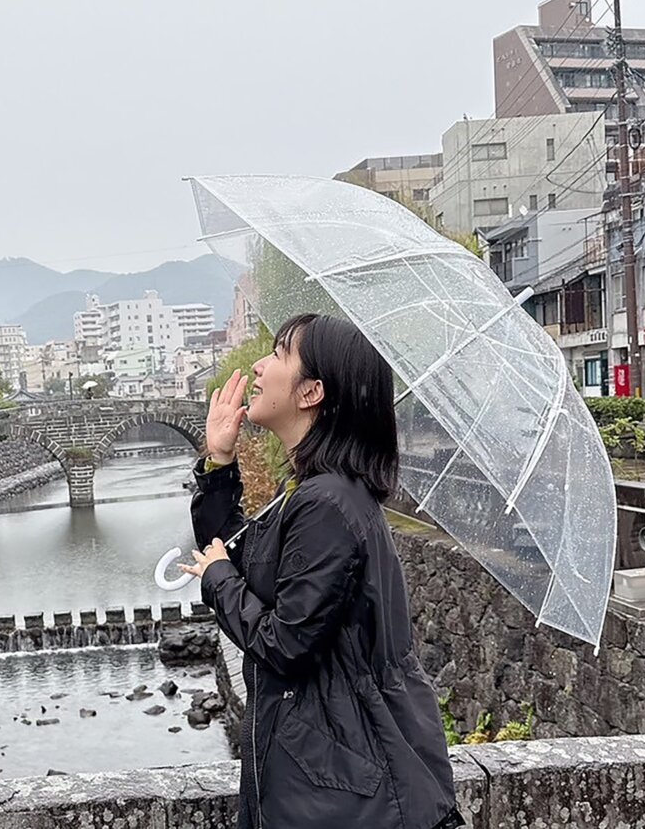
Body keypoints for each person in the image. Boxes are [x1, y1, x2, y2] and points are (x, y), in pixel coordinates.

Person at [179, 314, 462, 829]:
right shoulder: (319, 493)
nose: (259, 367)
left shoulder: (327, 503)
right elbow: (245, 560)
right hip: (327, 776)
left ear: (311, 392)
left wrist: (216, 578)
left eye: (279, 354)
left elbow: (285, 642)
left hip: (347, 791)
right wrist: (219, 463)